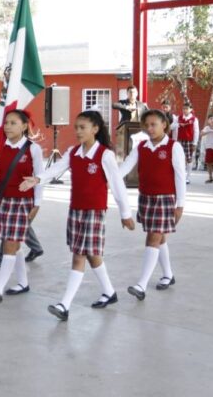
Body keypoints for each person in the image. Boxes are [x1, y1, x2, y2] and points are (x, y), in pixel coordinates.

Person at [20, 111, 135, 321]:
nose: (78, 131)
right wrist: (37, 179)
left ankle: (64, 305)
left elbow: (117, 184)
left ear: (95, 129)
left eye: (83, 127)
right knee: (92, 255)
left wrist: (125, 214)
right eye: (76, 127)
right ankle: (109, 292)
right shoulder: (73, 152)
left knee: (78, 257)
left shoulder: (104, 155)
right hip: (76, 211)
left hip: (94, 212)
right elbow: (56, 169)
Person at [118, 109, 186, 301]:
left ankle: (142, 284)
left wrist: (180, 205)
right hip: (146, 198)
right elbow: (126, 166)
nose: (150, 128)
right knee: (160, 238)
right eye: (146, 125)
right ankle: (168, 275)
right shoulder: (141, 147)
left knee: (153, 238)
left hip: (166, 199)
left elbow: (180, 176)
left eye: (154, 124)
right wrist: (110, 178)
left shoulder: (174, 147)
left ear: (164, 124)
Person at [0, 109, 43, 304]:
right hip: (3, 199)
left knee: (10, 242)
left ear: (24, 126)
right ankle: (23, 282)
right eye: (6, 122)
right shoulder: (0, 145)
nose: (8, 126)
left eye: (13, 123)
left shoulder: (33, 149)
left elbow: (40, 177)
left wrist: (37, 203)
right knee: (14, 244)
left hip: (23, 202)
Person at [177, 103, 199, 185]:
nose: (185, 110)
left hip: (189, 141)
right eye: (183, 108)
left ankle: (188, 177)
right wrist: (178, 124)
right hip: (179, 140)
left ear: (190, 109)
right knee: (180, 159)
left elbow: (196, 131)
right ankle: (181, 176)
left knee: (189, 158)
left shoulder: (194, 119)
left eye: (186, 108)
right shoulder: (179, 118)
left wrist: (195, 143)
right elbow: (173, 127)